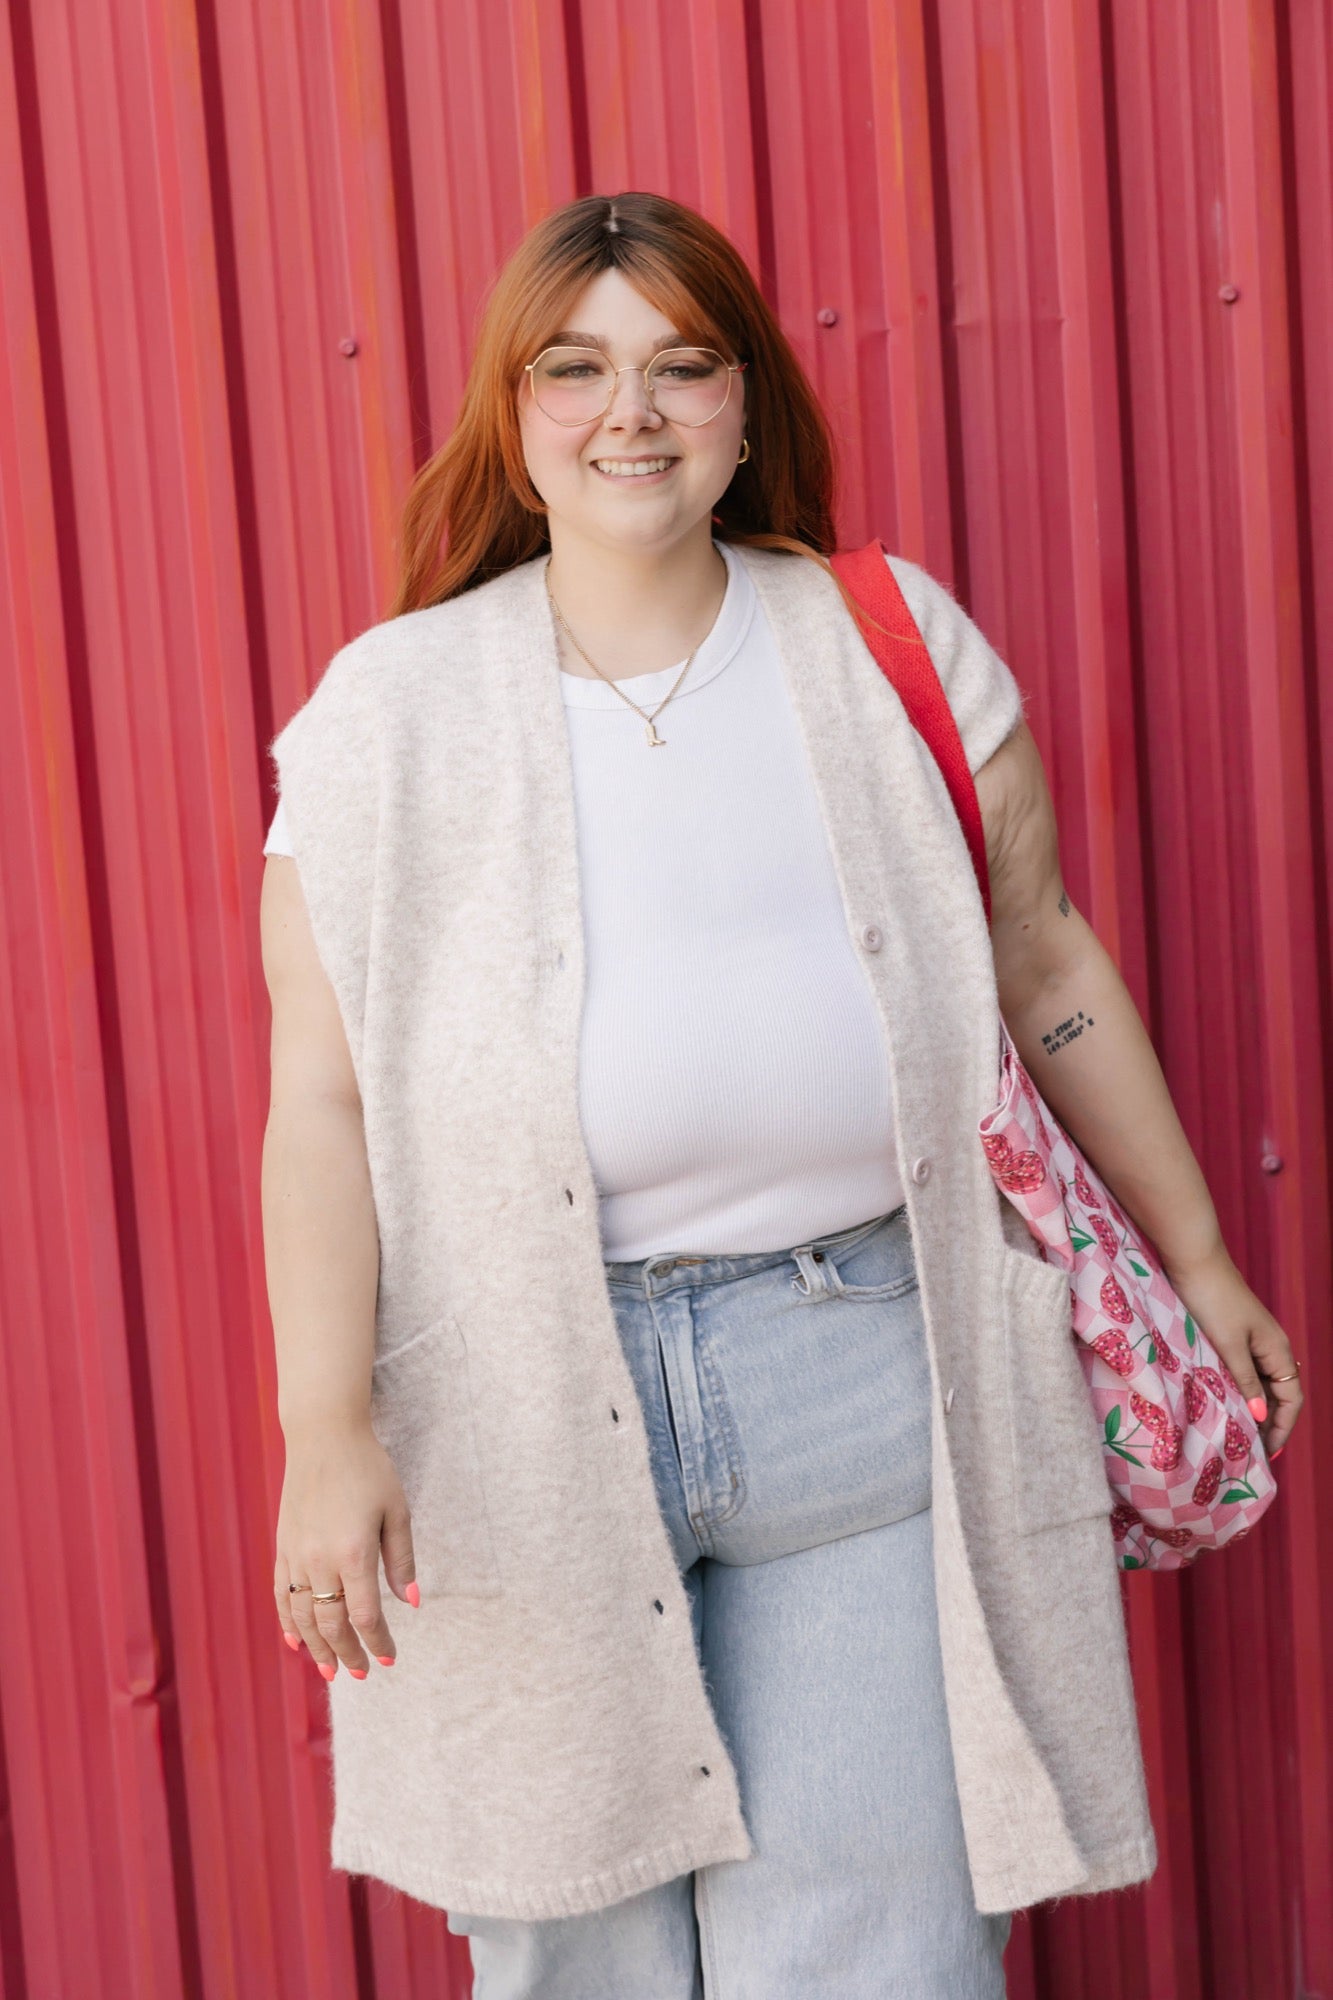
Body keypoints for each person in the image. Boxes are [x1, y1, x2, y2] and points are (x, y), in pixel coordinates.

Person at [258, 191, 1303, 1999]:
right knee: (573, 1943)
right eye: (575, 369)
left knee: (874, 1953)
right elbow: (323, 1108)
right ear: (514, 412)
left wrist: (1197, 1257)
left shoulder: (882, 645)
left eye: (681, 364)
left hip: (864, 1371)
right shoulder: (386, 717)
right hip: (512, 1403)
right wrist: (325, 1432)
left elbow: (1042, 963)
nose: (629, 414)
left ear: (746, 403)